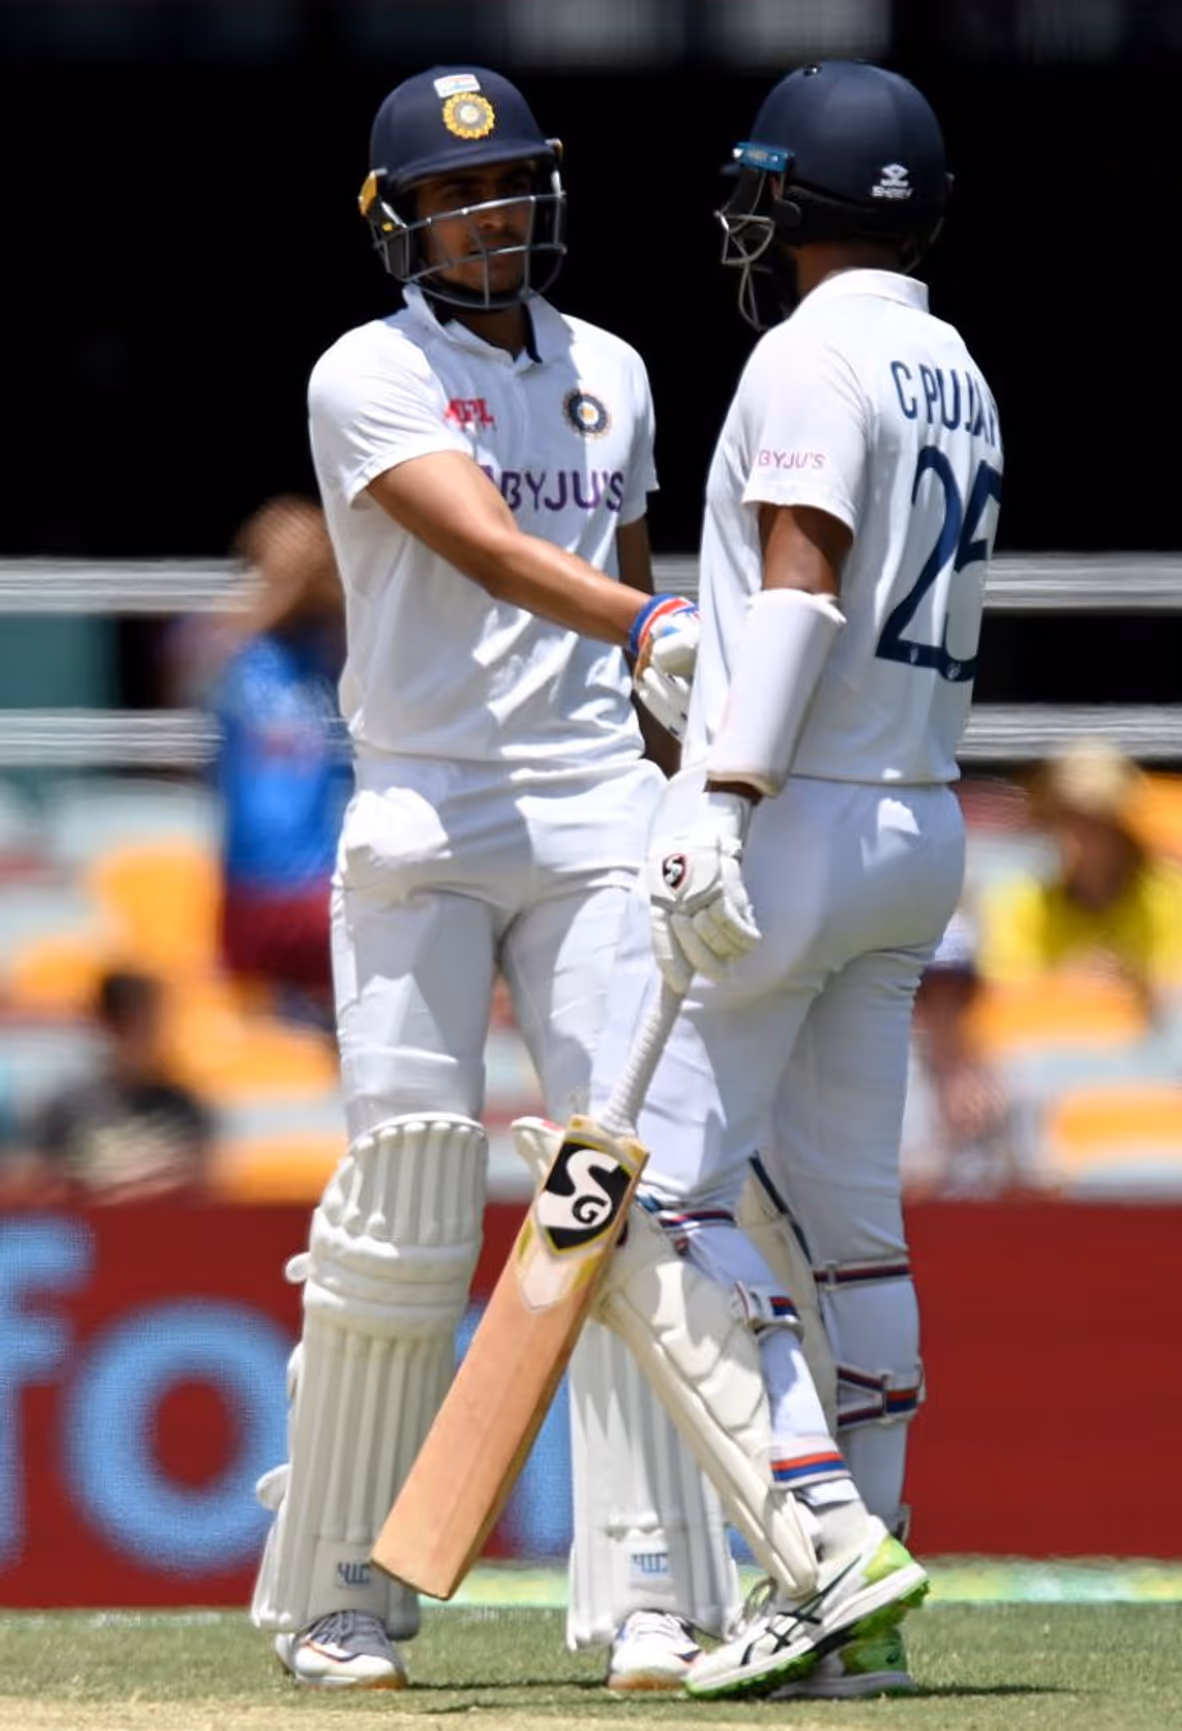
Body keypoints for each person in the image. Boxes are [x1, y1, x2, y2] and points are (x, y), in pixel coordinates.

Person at [249, 65, 738, 1692]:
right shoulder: (363, 374)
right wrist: (652, 630)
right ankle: (338, 1593)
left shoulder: (613, 369)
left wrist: (687, 774)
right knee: (401, 1204)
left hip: (594, 816)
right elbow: (496, 548)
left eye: (513, 183)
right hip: (424, 823)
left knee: (619, 1196)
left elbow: (638, 585)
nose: (493, 212)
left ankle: (654, 1591)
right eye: (459, 194)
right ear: (399, 218)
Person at [577, 60, 1003, 1699]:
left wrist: (723, 787)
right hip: (920, 815)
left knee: (654, 1209)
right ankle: (869, 1611)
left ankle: (823, 1546)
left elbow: (809, 587)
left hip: (803, 808)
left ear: (800, 201)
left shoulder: (809, 349)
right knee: (850, 1228)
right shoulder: (958, 363)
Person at [211, 495, 352, 1026]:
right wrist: (283, 579)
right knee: (258, 1038)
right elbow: (191, 659)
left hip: (326, 883)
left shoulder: (337, 644)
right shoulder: (236, 647)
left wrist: (324, 567)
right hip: (250, 882)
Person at [979, 739, 1182, 1018]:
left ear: (1126, 827)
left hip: (1150, 1051)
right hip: (1050, 1051)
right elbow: (1003, 1004)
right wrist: (1072, 985)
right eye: (1067, 818)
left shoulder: (1172, 893)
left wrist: (1129, 985)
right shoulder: (1017, 902)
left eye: (1098, 819)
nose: (1078, 835)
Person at [25, 968, 214, 1201]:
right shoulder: (67, 1108)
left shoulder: (183, 1106)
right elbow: (46, 1192)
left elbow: (200, 1190)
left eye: (154, 1023)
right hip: (93, 1234)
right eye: (136, 1022)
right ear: (108, 1025)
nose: (152, 1035)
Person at [899, 910, 1023, 1196]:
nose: (945, 1008)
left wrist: (996, 1127)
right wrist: (951, 1135)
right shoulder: (888, 1082)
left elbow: (1031, 1190)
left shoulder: (1010, 1077)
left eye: (959, 992)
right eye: (929, 993)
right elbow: (891, 1192)